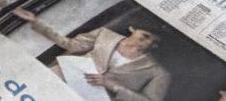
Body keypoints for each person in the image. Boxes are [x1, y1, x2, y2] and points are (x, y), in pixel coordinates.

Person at [13, 9, 171, 101]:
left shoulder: (157, 72)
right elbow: (69, 45)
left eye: (152, 41)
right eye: (144, 35)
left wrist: (113, 86)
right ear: (132, 29)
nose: (146, 42)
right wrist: (36, 22)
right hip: (57, 79)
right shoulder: (104, 35)